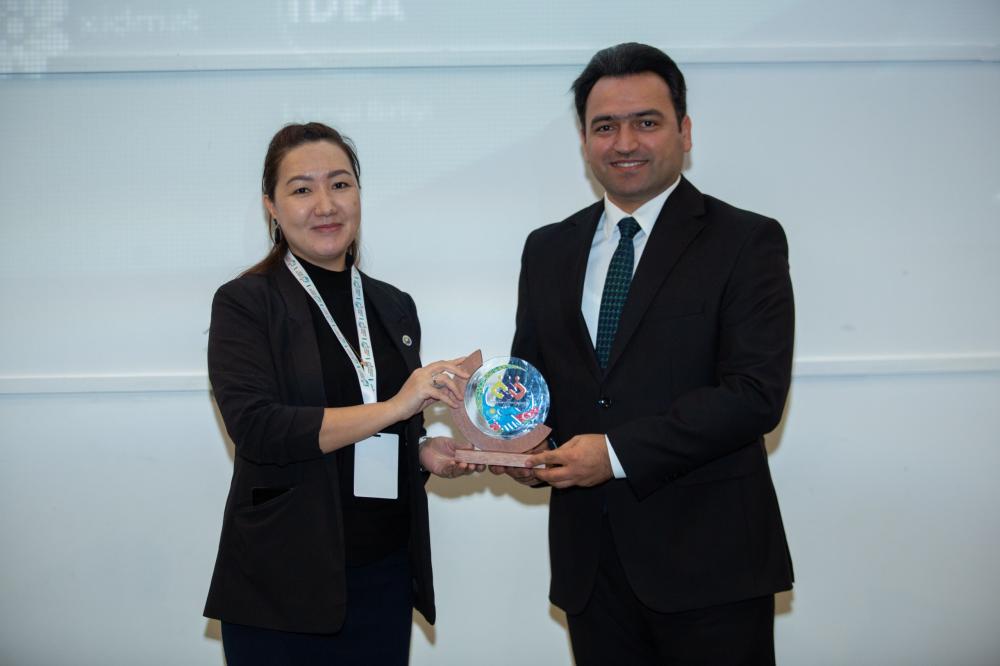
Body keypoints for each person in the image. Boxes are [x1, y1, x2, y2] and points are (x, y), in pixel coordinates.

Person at [497, 43, 795, 664]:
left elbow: (753, 396)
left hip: (711, 565)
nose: (625, 142)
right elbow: (532, 383)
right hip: (590, 567)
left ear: (684, 131)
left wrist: (613, 453)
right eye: (605, 126)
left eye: (646, 122)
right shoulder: (547, 249)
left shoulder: (746, 241)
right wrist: (514, 441)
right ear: (584, 140)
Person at [204, 122, 480, 665]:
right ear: (271, 207)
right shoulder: (245, 303)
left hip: (383, 575)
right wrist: (397, 405)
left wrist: (422, 452)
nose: (325, 205)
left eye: (340, 184)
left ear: (358, 194)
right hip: (283, 580)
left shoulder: (393, 305)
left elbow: (380, 433)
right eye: (301, 189)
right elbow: (258, 430)